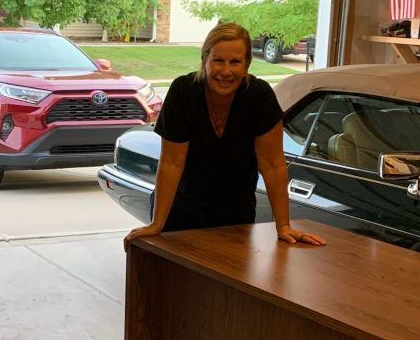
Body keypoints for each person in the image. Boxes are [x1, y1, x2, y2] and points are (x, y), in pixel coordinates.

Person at [124, 22, 325, 249]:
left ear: (247, 64)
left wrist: (283, 226)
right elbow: (172, 162)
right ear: (205, 61)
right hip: (180, 213)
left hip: (235, 217)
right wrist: (156, 224)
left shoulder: (259, 97)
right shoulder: (184, 92)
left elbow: (273, 165)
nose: (226, 71)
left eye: (235, 62)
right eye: (218, 61)